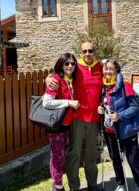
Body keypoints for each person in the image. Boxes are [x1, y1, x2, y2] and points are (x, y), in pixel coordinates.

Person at [46, 41, 102, 191]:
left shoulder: (100, 67)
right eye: (84, 51)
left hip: (94, 119)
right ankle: (74, 187)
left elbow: (113, 76)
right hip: (77, 118)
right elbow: (59, 73)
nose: (88, 54)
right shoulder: (76, 68)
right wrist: (48, 78)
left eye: (90, 51)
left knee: (91, 155)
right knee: (74, 155)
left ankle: (92, 185)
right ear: (80, 53)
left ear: (95, 52)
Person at [98, 58, 139, 191]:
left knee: (133, 162)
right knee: (115, 158)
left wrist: (120, 116)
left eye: (111, 69)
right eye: (105, 68)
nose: (108, 71)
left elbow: (134, 107)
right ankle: (121, 184)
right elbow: (102, 104)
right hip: (109, 130)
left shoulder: (124, 85)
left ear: (116, 70)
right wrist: (100, 109)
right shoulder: (102, 87)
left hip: (126, 129)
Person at [42, 53, 80, 191]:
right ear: (61, 65)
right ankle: (58, 187)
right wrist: (68, 102)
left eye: (72, 63)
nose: (70, 66)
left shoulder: (70, 79)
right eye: (66, 63)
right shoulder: (55, 79)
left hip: (67, 125)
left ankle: (55, 186)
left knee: (59, 156)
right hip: (56, 126)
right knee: (58, 157)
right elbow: (46, 102)